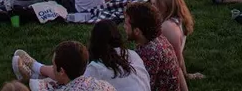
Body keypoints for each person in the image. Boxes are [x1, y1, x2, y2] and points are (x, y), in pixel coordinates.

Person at [12, 21, 150, 91]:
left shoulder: (96, 69)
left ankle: (33, 75)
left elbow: (68, 77)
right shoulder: (133, 55)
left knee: (56, 83)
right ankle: (35, 72)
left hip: (70, 79)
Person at [124, 3, 187, 91]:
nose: (124, 27)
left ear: (137, 31)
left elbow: (142, 86)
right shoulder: (159, 38)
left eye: (126, 25)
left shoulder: (149, 54)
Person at [11, 41, 117, 91]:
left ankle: (30, 77)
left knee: (46, 84)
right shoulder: (105, 85)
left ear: (61, 71)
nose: (52, 68)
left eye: (53, 65)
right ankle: (34, 73)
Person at [150, 0, 202, 82]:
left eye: (154, 4)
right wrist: (186, 75)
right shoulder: (178, 20)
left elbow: (175, 61)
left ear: (166, 5)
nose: (151, 8)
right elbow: (178, 53)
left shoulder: (167, 27)